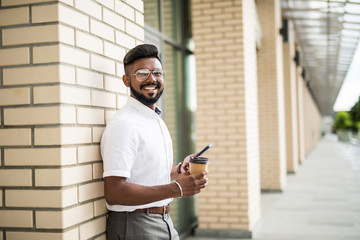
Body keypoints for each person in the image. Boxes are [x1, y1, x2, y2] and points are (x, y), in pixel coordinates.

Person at [101, 44, 208, 240]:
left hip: (163, 220)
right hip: (135, 225)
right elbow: (114, 192)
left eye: (157, 73)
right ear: (127, 81)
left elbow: (145, 175)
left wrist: (178, 170)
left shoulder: (154, 120)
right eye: (142, 73)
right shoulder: (124, 124)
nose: (152, 79)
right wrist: (177, 188)